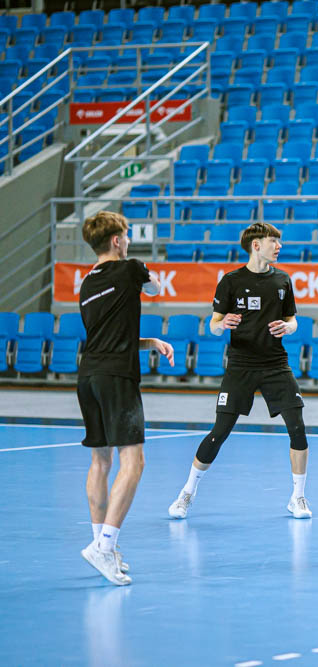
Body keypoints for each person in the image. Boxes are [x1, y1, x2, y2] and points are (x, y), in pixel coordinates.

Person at [167, 222, 313, 520]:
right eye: (274, 241)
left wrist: (288, 327)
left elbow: (293, 319)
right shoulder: (231, 281)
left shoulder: (282, 280)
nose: (279, 246)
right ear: (256, 245)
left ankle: (297, 497)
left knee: (297, 427)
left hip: (276, 364)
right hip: (241, 365)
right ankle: (187, 493)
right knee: (220, 432)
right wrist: (222, 324)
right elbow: (213, 324)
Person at [77, 211, 173, 585]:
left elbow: (108, 336)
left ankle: (99, 542)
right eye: (127, 235)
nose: (129, 240)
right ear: (117, 241)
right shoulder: (131, 268)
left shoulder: (87, 283)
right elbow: (156, 288)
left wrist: (150, 342)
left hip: (88, 376)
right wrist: (138, 269)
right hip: (117, 378)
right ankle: (104, 547)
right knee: (133, 462)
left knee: (101, 462)